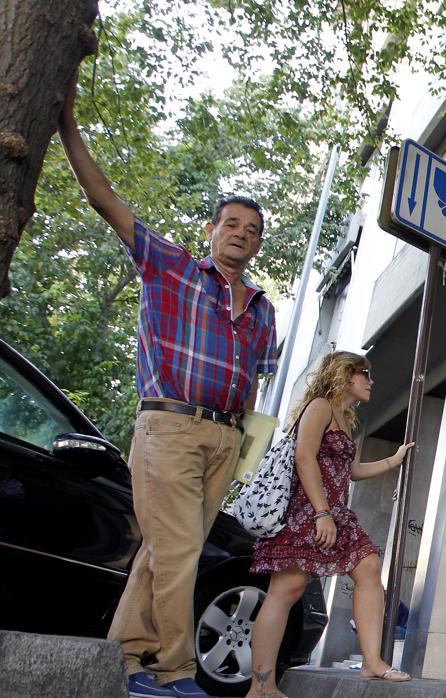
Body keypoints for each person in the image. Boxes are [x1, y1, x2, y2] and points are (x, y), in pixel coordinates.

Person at [59, 82, 279, 698]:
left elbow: (255, 387)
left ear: (259, 243)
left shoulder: (262, 311)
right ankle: (175, 672)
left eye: (252, 229)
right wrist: (70, 129)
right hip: (168, 427)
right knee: (181, 553)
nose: (240, 233)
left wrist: (242, 453)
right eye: (231, 223)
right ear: (212, 231)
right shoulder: (170, 267)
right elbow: (106, 200)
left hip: (223, 440)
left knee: (164, 553)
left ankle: (125, 658)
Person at [245, 351, 415, 697]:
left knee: (368, 566)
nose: (370, 382)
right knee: (286, 590)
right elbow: (304, 456)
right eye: (364, 374)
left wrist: (392, 460)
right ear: (345, 374)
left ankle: (372, 662)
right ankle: (260, 687)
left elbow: (349, 472)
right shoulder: (320, 406)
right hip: (308, 511)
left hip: (336, 513)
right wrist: (322, 513)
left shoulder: (343, 415)